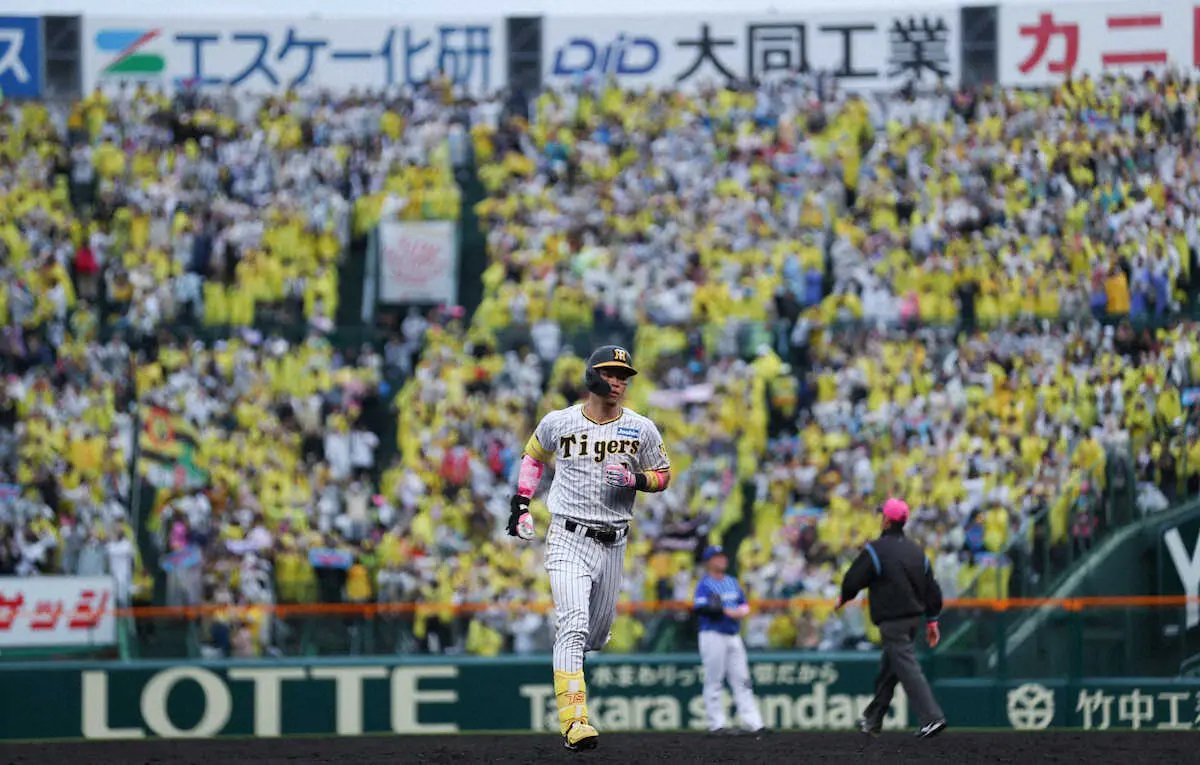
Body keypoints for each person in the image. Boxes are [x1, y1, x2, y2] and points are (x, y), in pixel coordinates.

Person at [508, 345, 672, 751]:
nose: (618, 382)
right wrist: (521, 504)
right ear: (592, 376)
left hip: (614, 541)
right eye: (611, 374)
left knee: (594, 636)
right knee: (574, 624)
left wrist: (636, 481)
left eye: (623, 376)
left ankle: (573, 681)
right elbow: (533, 456)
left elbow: (663, 474)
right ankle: (574, 722)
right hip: (568, 535)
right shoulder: (560, 421)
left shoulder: (641, 428)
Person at [836, 497, 947, 739]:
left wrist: (844, 597)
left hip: (892, 620)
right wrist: (932, 620)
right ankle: (872, 720)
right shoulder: (916, 551)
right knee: (889, 669)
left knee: (907, 668)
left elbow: (853, 579)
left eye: (882, 516)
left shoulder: (876, 549)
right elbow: (932, 589)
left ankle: (932, 717)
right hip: (913, 621)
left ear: (886, 521)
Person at [693, 544, 766, 737]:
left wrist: (740, 610)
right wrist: (725, 611)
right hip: (713, 634)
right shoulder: (705, 584)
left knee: (743, 680)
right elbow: (701, 608)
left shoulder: (732, 582)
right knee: (714, 680)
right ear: (709, 561)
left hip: (733, 634)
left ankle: (754, 723)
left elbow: (743, 603)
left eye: (723, 556)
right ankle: (716, 724)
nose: (722, 560)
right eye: (717, 557)